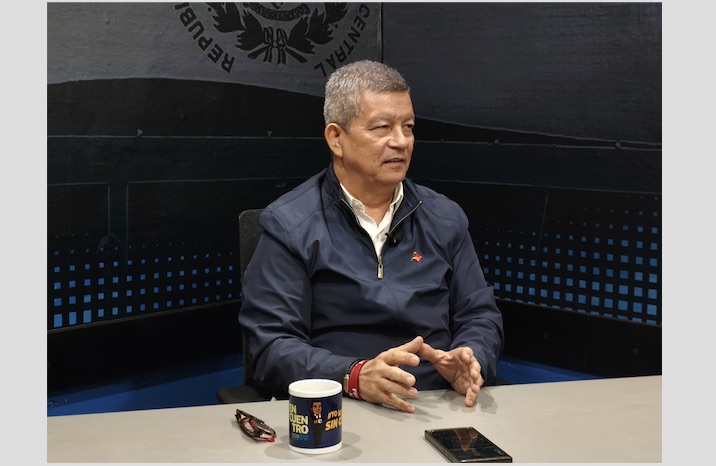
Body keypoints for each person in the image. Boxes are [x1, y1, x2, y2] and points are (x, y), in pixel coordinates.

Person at [238, 59, 504, 413]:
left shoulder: (445, 217)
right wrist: (353, 375)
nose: (401, 142)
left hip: (439, 403)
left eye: (408, 127)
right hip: (340, 406)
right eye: (382, 128)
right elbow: (271, 347)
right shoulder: (290, 226)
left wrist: (473, 357)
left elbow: (479, 314)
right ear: (336, 138)